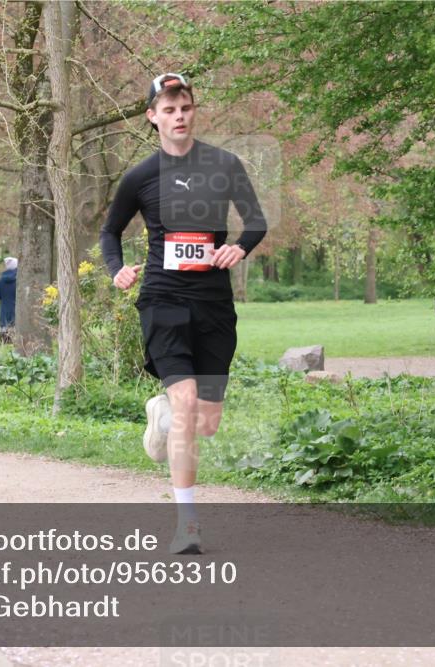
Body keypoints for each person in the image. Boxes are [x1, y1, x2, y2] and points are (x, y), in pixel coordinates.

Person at [99, 73, 266, 554]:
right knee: (188, 402)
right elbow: (110, 232)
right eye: (168, 110)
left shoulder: (224, 165)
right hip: (164, 300)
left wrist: (239, 248)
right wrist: (116, 270)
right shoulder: (140, 177)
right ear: (152, 117)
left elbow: (255, 220)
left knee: (206, 421)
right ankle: (187, 524)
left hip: (213, 304)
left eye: (185, 108)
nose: (178, 116)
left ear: (193, 112)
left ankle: (164, 415)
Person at [0, 256, 17, 344]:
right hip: (17, 312)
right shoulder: (19, 280)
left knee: (4, 342)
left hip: (4, 313)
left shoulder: (0, 280)